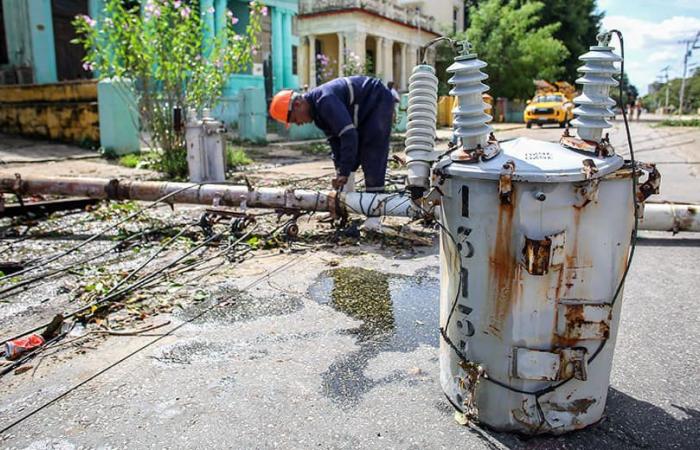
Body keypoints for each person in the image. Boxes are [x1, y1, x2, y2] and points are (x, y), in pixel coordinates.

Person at [269, 76, 395, 193]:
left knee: (372, 152)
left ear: (297, 104)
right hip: (362, 112)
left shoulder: (325, 100)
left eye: (295, 120)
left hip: (377, 98)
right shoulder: (318, 115)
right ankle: (346, 201)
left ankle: (374, 211)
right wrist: (340, 171)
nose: (299, 124)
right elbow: (336, 142)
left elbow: (348, 135)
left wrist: (344, 172)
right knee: (351, 156)